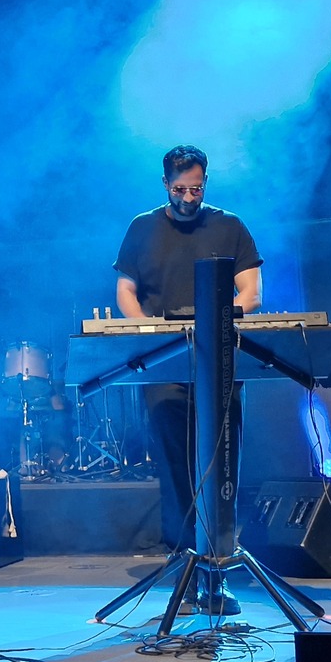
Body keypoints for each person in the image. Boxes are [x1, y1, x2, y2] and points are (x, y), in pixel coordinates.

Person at [114, 145, 261, 612]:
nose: (188, 198)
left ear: (206, 181)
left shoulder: (230, 225)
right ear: (164, 185)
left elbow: (252, 290)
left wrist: (218, 318)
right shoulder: (142, 227)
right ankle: (187, 563)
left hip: (218, 361)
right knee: (176, 464)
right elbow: (126, 292)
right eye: (179, 190)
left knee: (221, 465)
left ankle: (218, 568)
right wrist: (149, 333)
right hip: (165, 365)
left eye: (196, 188)